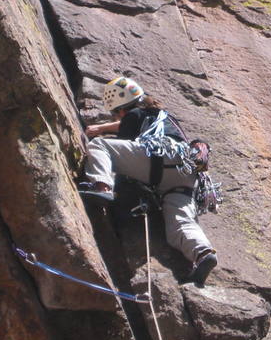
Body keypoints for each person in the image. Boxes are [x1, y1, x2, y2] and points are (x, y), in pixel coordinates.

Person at [79, 76, 218, 285]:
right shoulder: (163, 116)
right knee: (180, 223)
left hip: (157, 159)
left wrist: (99, 131)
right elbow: (127, 124)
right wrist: (104, 126)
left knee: (100, 146)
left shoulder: (133, 115)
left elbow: (126, 141)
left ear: (120, 109)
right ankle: (202, 254)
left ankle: (102, 186)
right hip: (185, 174)